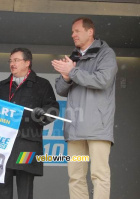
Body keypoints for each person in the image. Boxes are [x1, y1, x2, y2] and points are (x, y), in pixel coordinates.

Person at [52, 17, 118, 199]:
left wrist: (72, 72)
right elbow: (60, 89)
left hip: (97, 127)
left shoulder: (106, 53)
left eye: (77, 31)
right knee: (75, 177)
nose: (73, 35)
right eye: (72, 32)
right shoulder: (73, 57)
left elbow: (102, 80)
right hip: (75, 128)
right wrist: (66, 77)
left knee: (99, 175)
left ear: (90, 32)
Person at [0, 48, 59, 199]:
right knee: (1, 191)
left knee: (25, 190)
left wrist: (43, 113)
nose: (12, 63)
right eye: (10, 60)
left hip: (27, 145)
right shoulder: (2, 86)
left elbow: (53, 109)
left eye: (16, 60)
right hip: (4, 147)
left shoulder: (41, 84)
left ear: (27, 63)